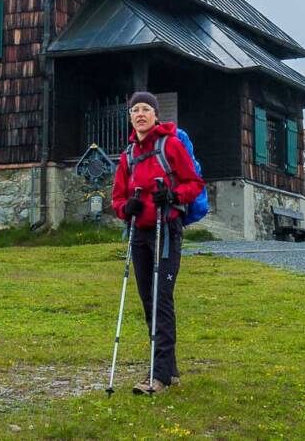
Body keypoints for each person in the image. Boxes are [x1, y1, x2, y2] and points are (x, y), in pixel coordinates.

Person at [112, 90, 205, 394]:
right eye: (135, 110)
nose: (140, 114)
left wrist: (173, 195)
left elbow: (194, 183)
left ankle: (159, 376)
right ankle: (170, 369)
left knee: (161, 299)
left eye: (145, 109)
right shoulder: (127, 156)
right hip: (139, 234)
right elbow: (117, 199)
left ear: (155, 115)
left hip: (167, 230)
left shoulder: (171, 145)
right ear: (130, 117)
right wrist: (126, 209)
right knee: (147, 299)